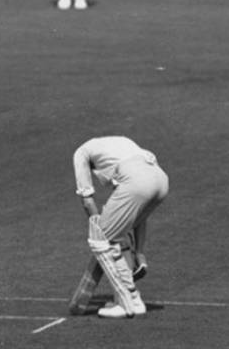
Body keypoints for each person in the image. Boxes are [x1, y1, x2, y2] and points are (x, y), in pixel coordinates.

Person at [68, 136, 168, 319]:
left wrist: (100, 230)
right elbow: (136, 219)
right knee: (117, 232)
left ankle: (125, 303)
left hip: (137, 180)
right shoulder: (119, 144)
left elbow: (87, 200)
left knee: (102, 239)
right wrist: (139, 252)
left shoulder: (81, 153)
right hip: (161, 180)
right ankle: (134, 301)